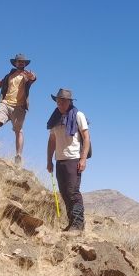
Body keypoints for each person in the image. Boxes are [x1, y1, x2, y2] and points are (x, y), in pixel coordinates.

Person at [46, 88, 90, 232]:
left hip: (73, 159)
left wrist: (83, 159)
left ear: (69, 101)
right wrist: (49, 160)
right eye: (58, 101)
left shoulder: (78, 115)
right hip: (59, 160)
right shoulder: (55, 118)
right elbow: (52, 140)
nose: (60, 104)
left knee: (73, 191)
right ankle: (72, 224)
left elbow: (86, 138)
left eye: (63, 101)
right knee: (64, 193)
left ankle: (78, 224)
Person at [0, 53, 36, 166]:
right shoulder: (9, 75)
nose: (21, 63)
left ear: (25, 64)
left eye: (23, 62)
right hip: (5, 103)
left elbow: (33, 79)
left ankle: (18, 156)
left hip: (19, 107)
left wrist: (32, 77)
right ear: (16, 63)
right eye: (19, 61)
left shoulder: (26, 75)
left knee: (18, 131)